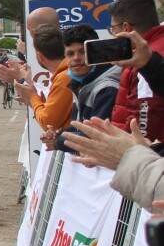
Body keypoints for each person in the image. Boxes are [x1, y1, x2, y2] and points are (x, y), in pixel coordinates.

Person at [51, 24, 121, 152]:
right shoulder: (81, 84)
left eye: (83, 52)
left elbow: (94, 139)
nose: (76, 58)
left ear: (96, 53)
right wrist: (57, 133)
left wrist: (58, 141)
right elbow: (80, 128)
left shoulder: (107, 88)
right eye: (70, 54)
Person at [109, 0, 164, 140]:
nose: (113, 35)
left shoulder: (145, 60)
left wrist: (134, 154)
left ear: (126, 27)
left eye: (113, 29)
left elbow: (146, 115)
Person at [13, 26, 72, 135]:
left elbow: (48, 122)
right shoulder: (64, 74)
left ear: (39, 56)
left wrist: (32, 97)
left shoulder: (64, 78)